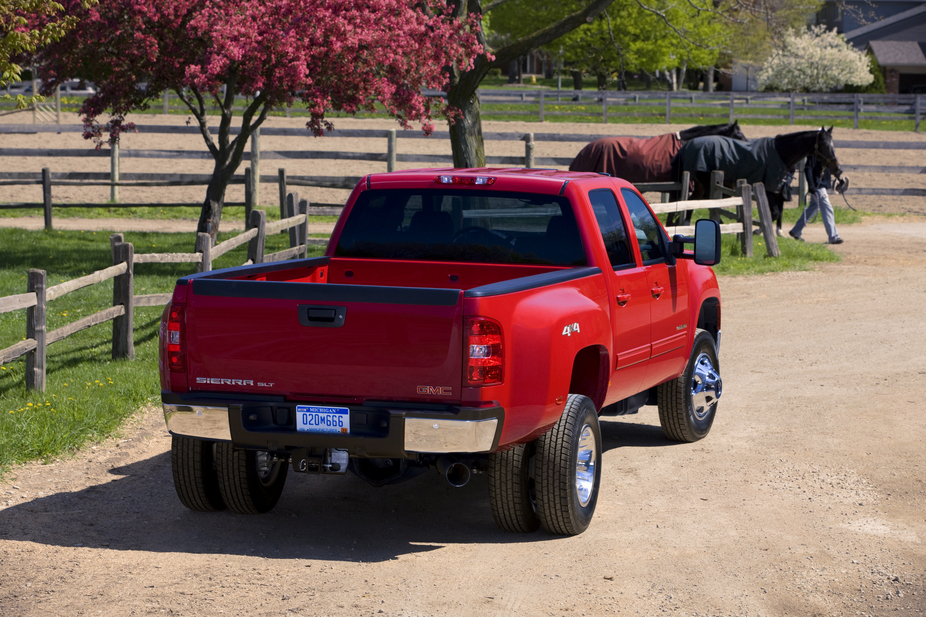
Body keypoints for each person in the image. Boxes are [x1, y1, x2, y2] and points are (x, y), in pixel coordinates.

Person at [789, 154, 843, 244]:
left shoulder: (827, 150)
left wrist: (838, 178)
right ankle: (834, 237)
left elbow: (831, 165)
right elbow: (808, 168)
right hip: (818, 185)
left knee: (813, 208)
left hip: (820, 185)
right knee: (827, 208)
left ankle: (796, 231)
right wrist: (811, 186)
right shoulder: (814, 152)